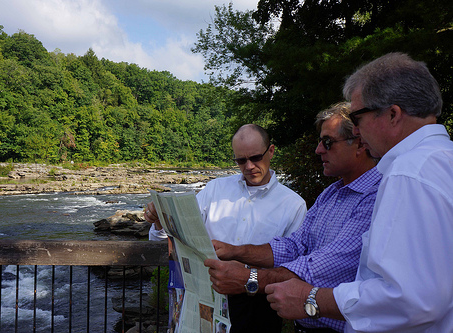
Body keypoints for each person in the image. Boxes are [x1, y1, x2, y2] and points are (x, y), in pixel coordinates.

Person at [265, 52, 453, 332]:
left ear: (392, 114)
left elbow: (409, 299)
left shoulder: (408, 173)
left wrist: (310, 298)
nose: (357, 131)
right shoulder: (441, 161)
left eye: (358, 117)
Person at [204, 102, 381, 332]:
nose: (318, 150)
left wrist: (249, 278)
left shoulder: (375, 195)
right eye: (240, 160)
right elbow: (294, 246)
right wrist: (235, 251)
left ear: (359, 143)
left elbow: (323, 266)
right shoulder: (331, 194)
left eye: (327, 142)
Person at [145, 124, 307, 332]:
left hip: (258, 305)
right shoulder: (215, 189)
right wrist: (160, 223)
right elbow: (173, 242)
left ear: (271, 151)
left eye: (256, 157)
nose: (249, 166)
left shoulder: (293, 205)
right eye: (241, 160)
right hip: (205, 296)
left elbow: (292, 269)